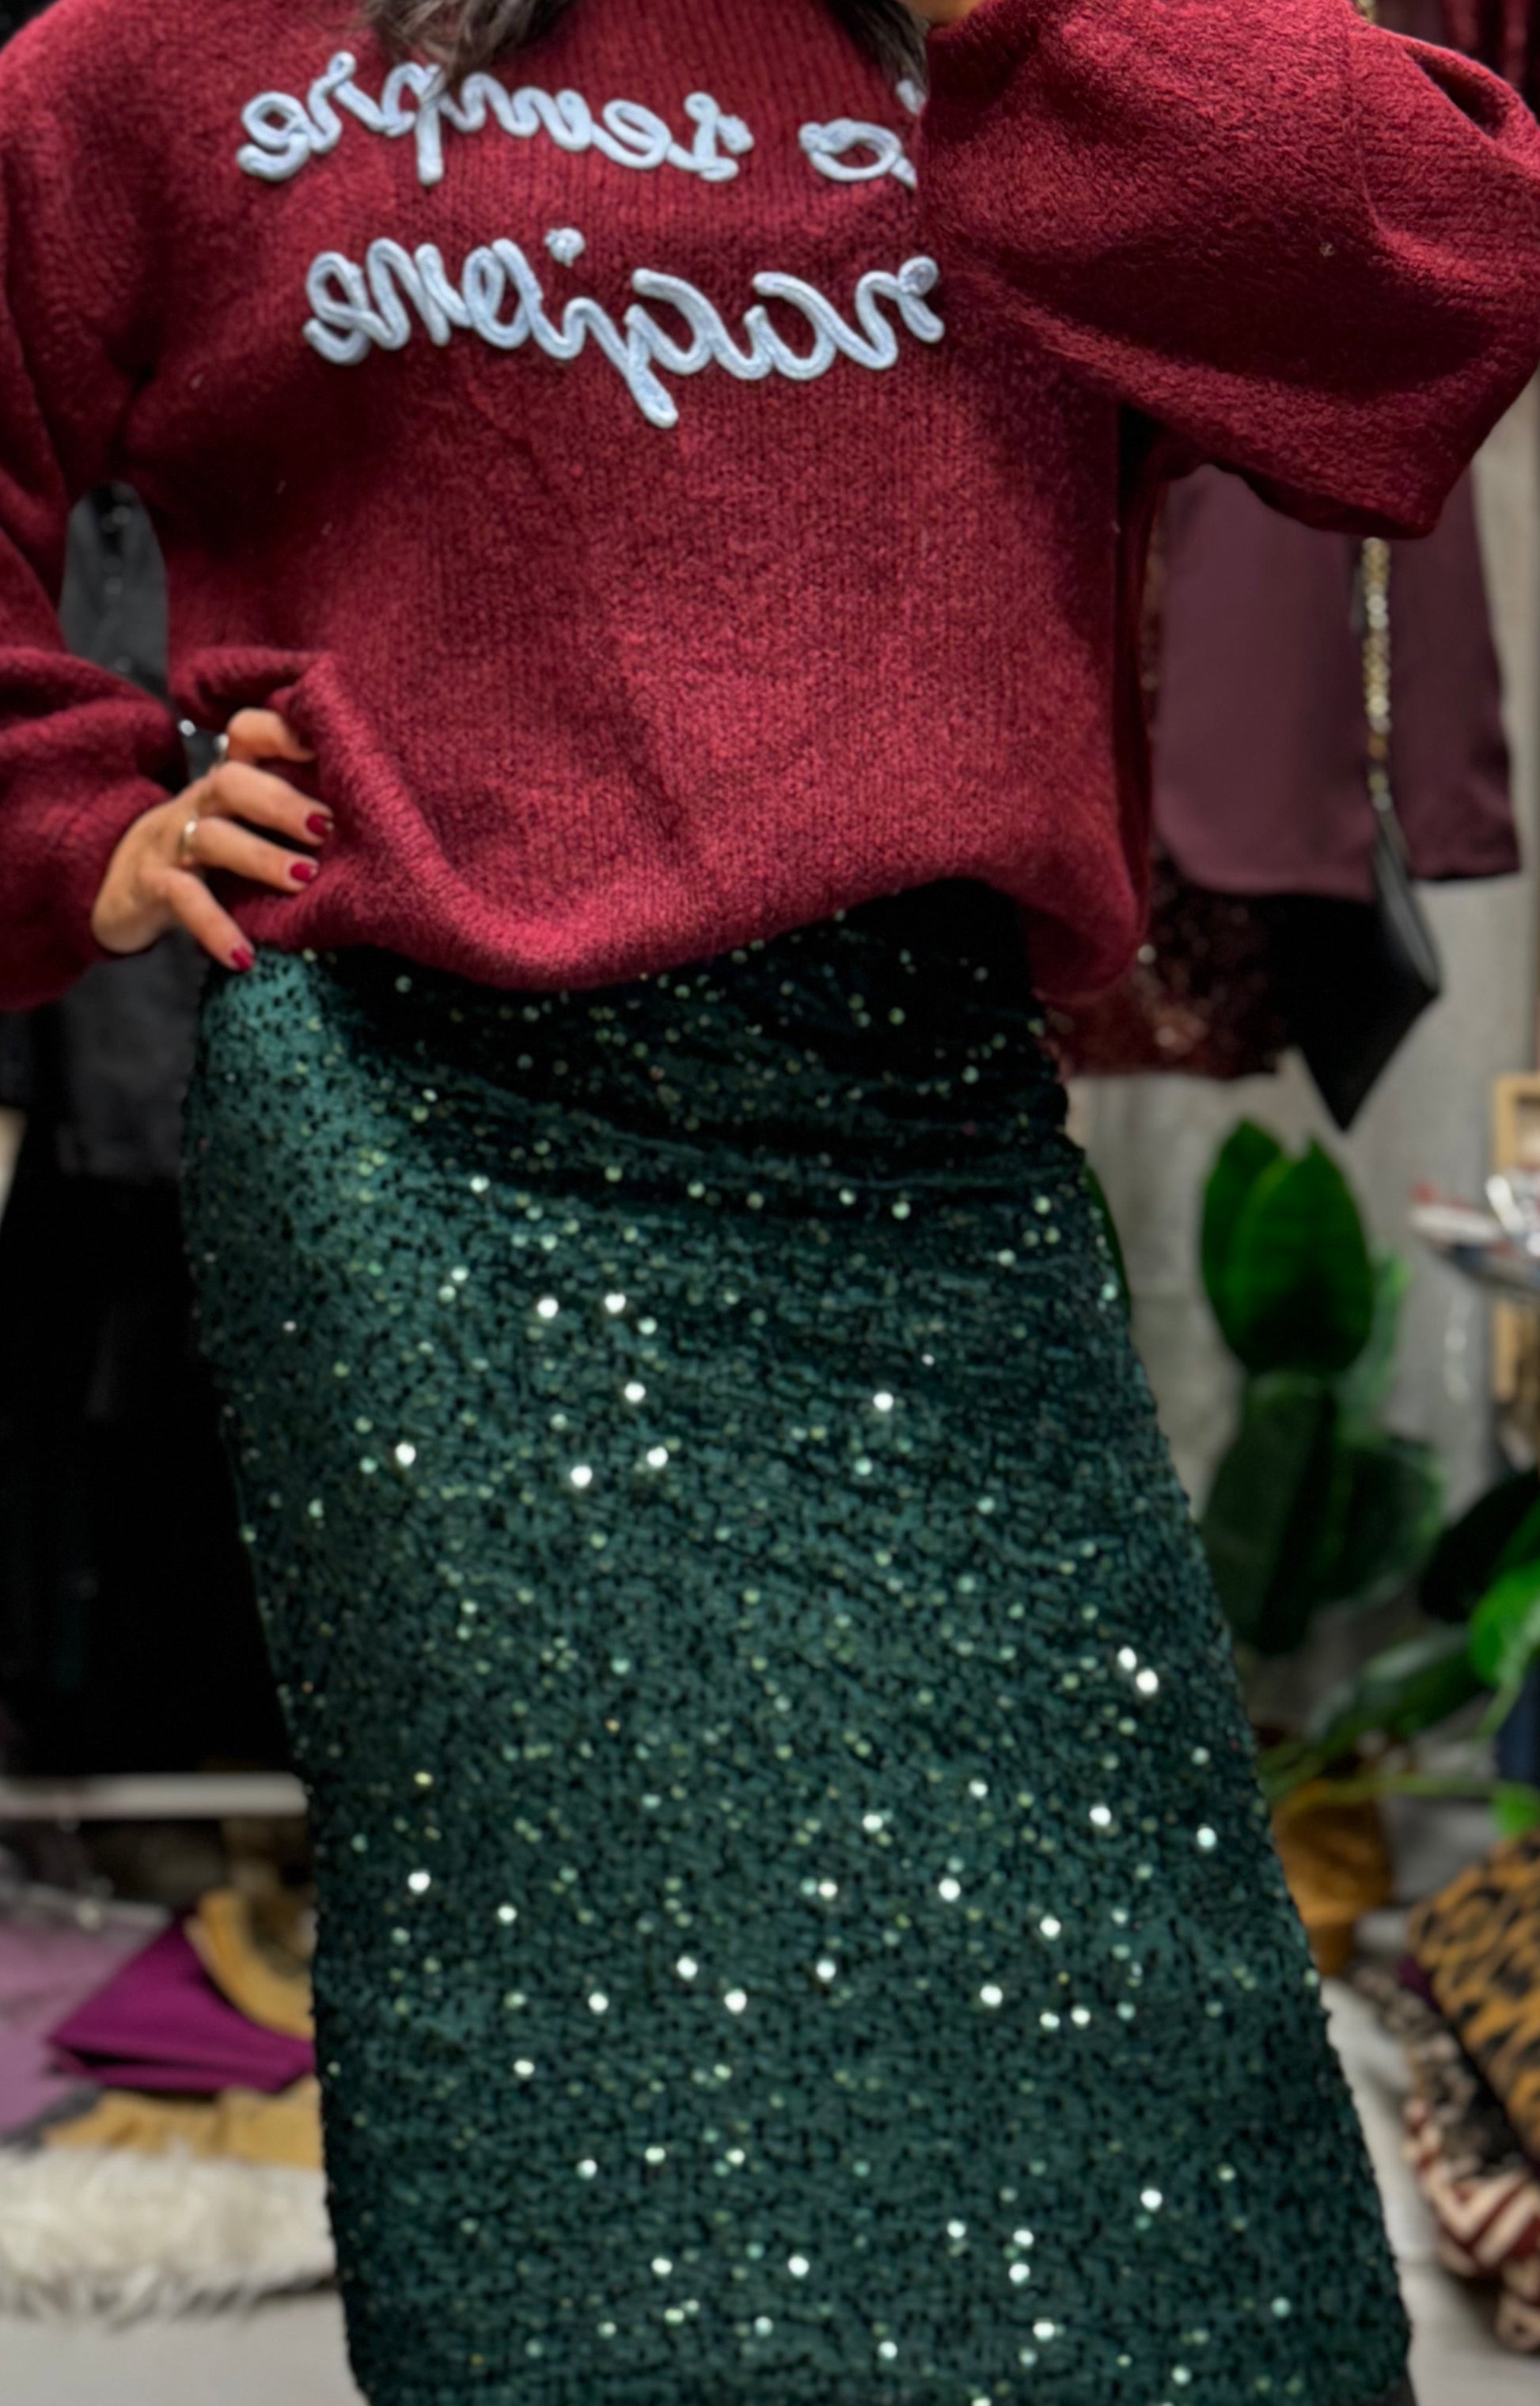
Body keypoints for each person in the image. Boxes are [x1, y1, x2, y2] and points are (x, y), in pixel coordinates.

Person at [1, 0, 1536, 2397]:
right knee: (571, 2030)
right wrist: (75, 820)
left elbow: (1443, 275)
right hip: (428, 1162)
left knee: (1140, 2023)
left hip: (920, 1135)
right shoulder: (179, 53)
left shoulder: (990, 35)